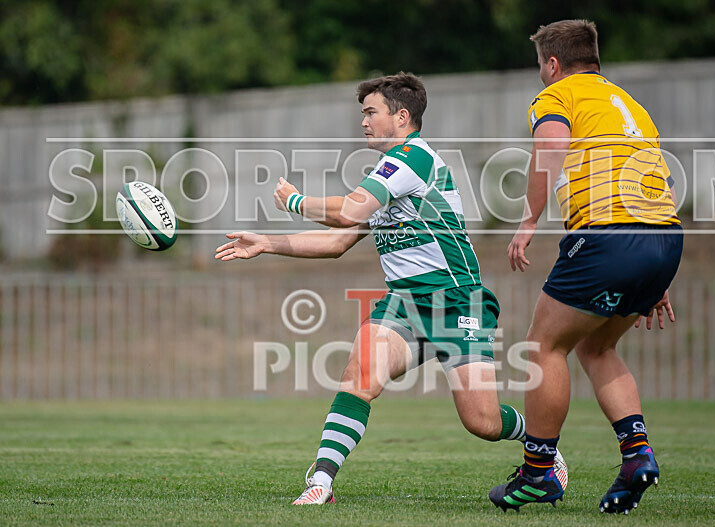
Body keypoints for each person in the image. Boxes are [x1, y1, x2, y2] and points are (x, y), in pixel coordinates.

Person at [215, 73, 549, 505]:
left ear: (402, 116)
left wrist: (296, 202)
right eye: (363, 114)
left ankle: (543, 448)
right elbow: (339, 243)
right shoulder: (386, 175)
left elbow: (348, 211)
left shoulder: (412, 160)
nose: (364, 122)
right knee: (359, 375)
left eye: (372, 112)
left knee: (482, 422)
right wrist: (267, 244)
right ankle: (321, 482)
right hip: (404, 304)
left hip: (456, 301)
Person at [488, 20, 682, 514]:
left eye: (540, 67)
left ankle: (537, 474)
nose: (540, 77)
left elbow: (550, 148)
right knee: (597, 346)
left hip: (606, 236)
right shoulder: (626, 103)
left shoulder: (559, 95)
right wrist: (654, 272)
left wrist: (528, 219)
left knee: (543, 345)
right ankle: (637, 457)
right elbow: (657, 173)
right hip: (662, 236)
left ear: (553, 64)